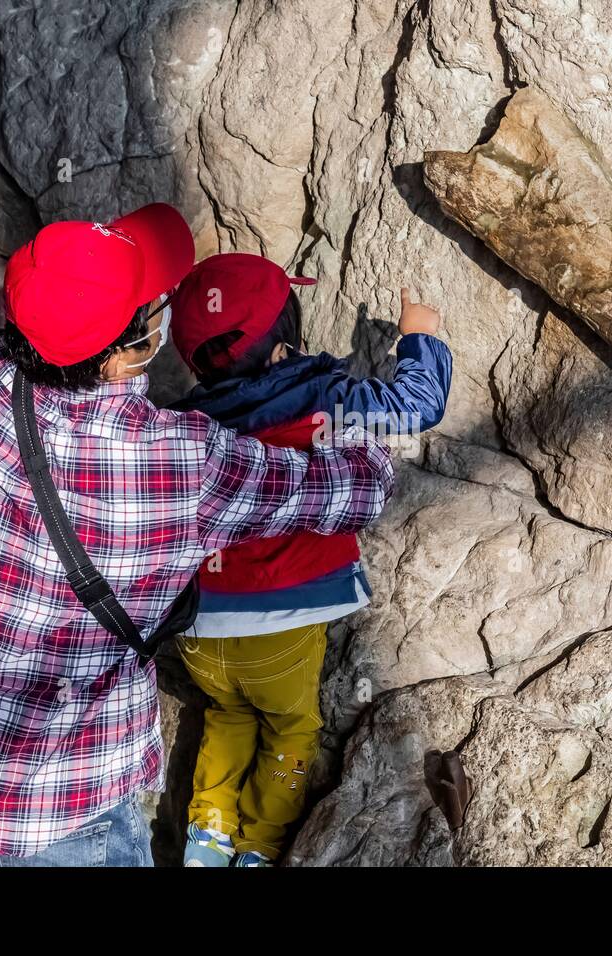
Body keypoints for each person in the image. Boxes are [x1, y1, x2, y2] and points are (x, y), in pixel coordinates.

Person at [0, 206, 396, 866]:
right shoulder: (178, 461)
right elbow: (357, 490)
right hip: (62, 822)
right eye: (155, 305)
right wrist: (359, 421)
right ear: (128, 356)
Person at [167, 252, 451, 866]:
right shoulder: (323, 395)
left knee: (226, 713)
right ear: (279, 350)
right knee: (291, 729)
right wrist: (419, 338)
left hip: (197, 624)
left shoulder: (185, 420)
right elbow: (414, 407)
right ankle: (258, 846)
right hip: (280, 623)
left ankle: (205, 839)